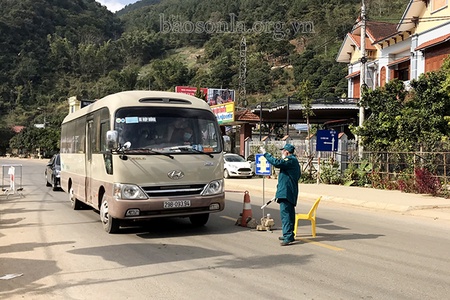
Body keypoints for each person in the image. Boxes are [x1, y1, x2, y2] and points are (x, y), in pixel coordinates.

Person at [260, 144, 301, 246]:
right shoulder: (293, 162)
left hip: (286, 192)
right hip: (289, 191)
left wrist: (265, 154)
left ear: (287, 152)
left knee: (286, 215)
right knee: (290, 214)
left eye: (283, 151)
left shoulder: (290, 160)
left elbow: (276, 163)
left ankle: (288, 236)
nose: (282, 153)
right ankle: (289, 234)